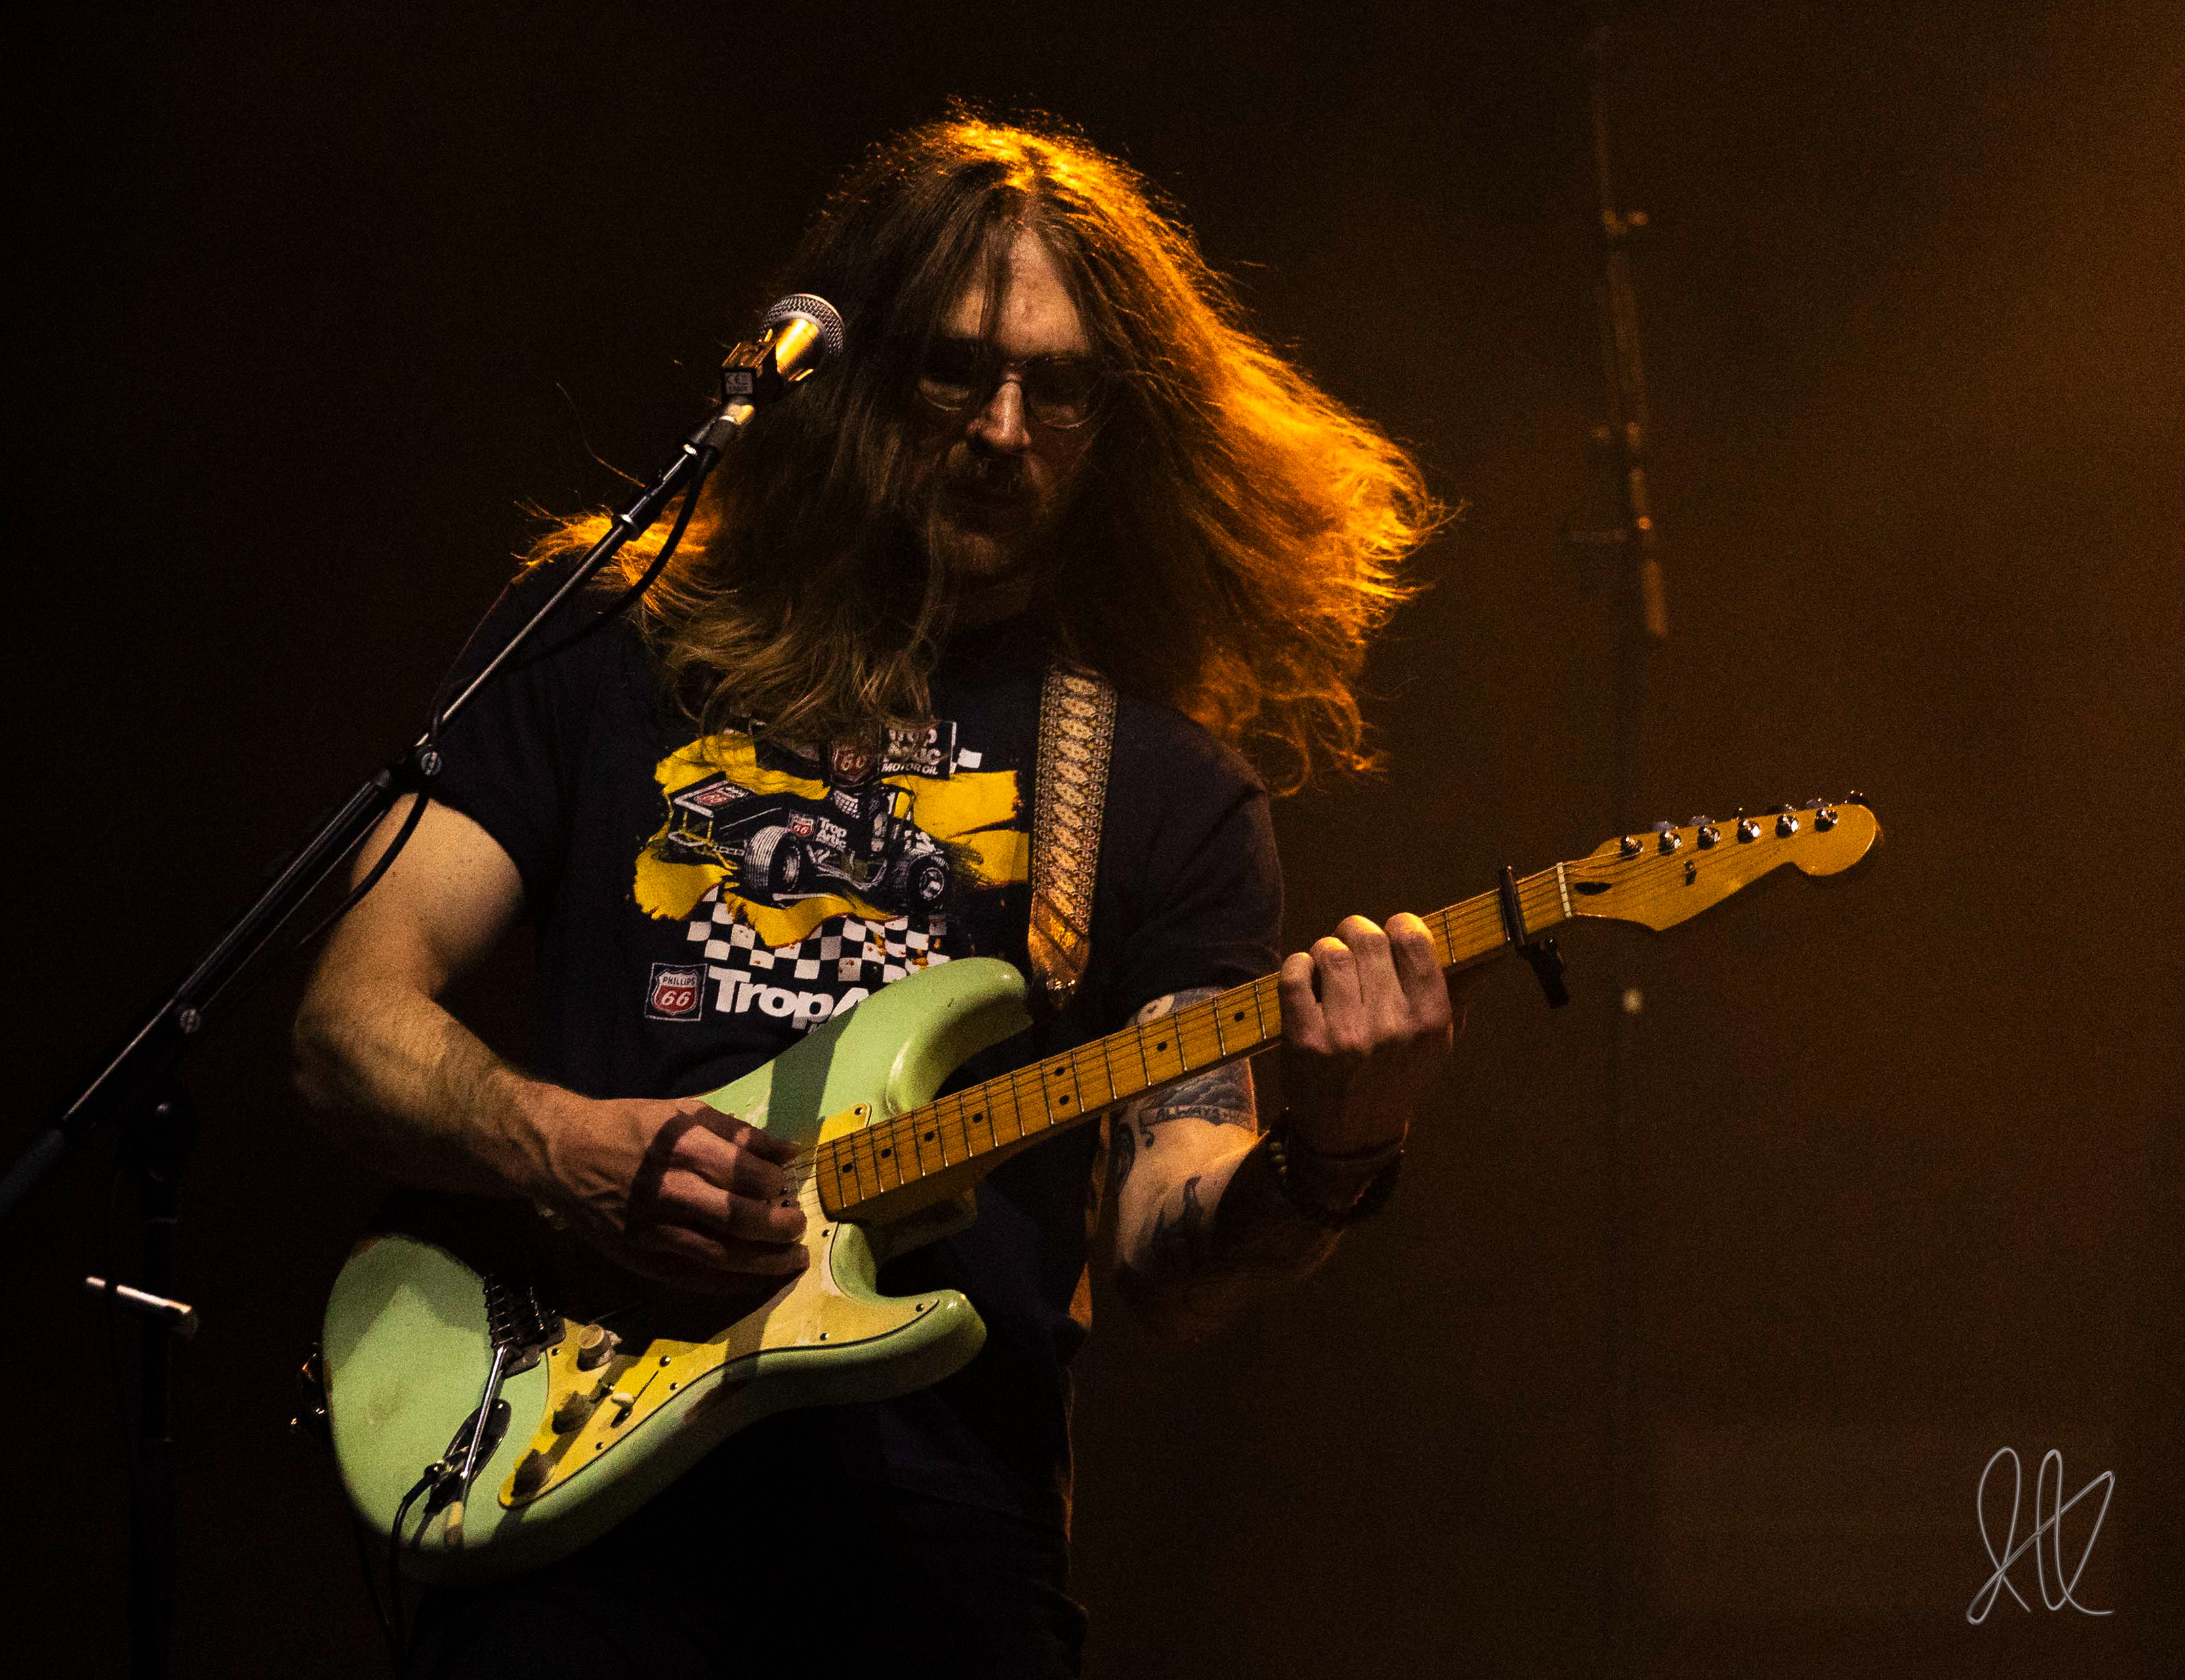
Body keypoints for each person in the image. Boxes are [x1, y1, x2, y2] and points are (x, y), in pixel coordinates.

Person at [293, 114, 1449, 1679]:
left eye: (1061, 387)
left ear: (1122, 424)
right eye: (956, 368)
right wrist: (567, 1143)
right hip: (575, 1498)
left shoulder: (1165, 794)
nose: (1003, 428)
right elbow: (348, 1017)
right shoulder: (611, 636)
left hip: (931, 1558)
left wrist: (1332, 1156)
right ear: (850, 367)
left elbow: (1172, 1233)